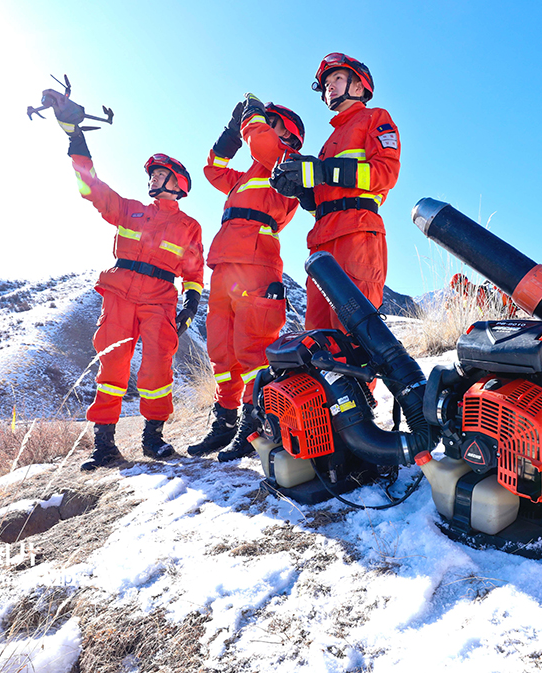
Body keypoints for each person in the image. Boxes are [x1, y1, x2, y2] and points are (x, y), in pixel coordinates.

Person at [44, 89, 205, 471]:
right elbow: (91, 189)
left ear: (179, 183)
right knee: (112, 368)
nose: (153, 177)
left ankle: (153, 439)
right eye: (151, 173)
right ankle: (105, 446)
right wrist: (75, 138)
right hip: (118, 294)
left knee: (156, 370)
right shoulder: (130, 211)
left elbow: (194, 271)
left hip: (160, 301)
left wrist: (192, 301)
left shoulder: (189, 226)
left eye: (161, 173)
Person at [190, 95, 306, 462]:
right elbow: (213, 168)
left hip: (256, 265)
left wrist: (252, 113)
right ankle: (224, 423)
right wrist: (230, 131)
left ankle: (254, 426)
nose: (263, 127)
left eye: (271, 123)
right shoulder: (245, 178)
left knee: (251, 350)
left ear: (286, 135)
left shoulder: (286, 164)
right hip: (224, 267)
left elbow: (261, 140)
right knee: (221, 352)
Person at [271, 52, 401, 330]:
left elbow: (386, 174)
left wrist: (324, 171)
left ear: (358, 86)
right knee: (321, 339)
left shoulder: (375, 117)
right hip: (321, 243)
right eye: (327, 82)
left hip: (357, 236)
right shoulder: (329, 141)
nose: (329, 85)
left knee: (355, 338)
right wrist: (301, 192)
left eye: (337, 78)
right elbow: (321, 204)